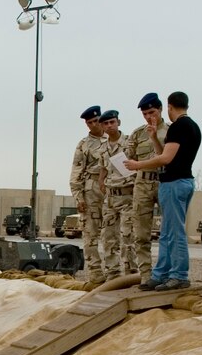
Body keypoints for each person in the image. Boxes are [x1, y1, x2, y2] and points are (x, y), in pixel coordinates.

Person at [125, 90, 201, 289]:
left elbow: (166, 159)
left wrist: (138, 165)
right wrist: (154, 138)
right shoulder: (193, 127)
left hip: (175, 183)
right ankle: (161, 274)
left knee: (175, 233)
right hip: (174, 181)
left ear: (167, 107)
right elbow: (166, 153)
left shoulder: (178, 127)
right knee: (167, 233)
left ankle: (179, 275)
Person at [123, 95, 168, 276]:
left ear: (160, 110)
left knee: (168, 231)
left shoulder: (171, 131)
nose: (149, 117)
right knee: (141, 232)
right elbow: (127, 158)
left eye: (152, 112)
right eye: (145, 114)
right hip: (142, 183)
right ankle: (146, 274)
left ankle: (166, 272)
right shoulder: (137, 134)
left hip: (164, 181)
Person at [95, 110, 133, 276]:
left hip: (128, 195)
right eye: (106, 123)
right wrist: (101, 182)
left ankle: (132, 271)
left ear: (119, 122)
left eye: (112, 122)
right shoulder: (102, 148)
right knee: (108, 237)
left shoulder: (130, 143)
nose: (109, 126)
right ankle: (113, 272)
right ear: (102, 126)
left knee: (128, 236)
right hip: (110, 197)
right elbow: (103, 168)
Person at [69, 106, 106, 275]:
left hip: (113, 190)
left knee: (114, 234)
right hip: (91, 189)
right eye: (89, 123)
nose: (93, 125)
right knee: (90, 234)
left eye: (95, 121)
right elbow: (76, 172)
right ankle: (95, 273)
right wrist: (78, 198)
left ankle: (116, 271)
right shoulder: (84, 145)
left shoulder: (115, 139)